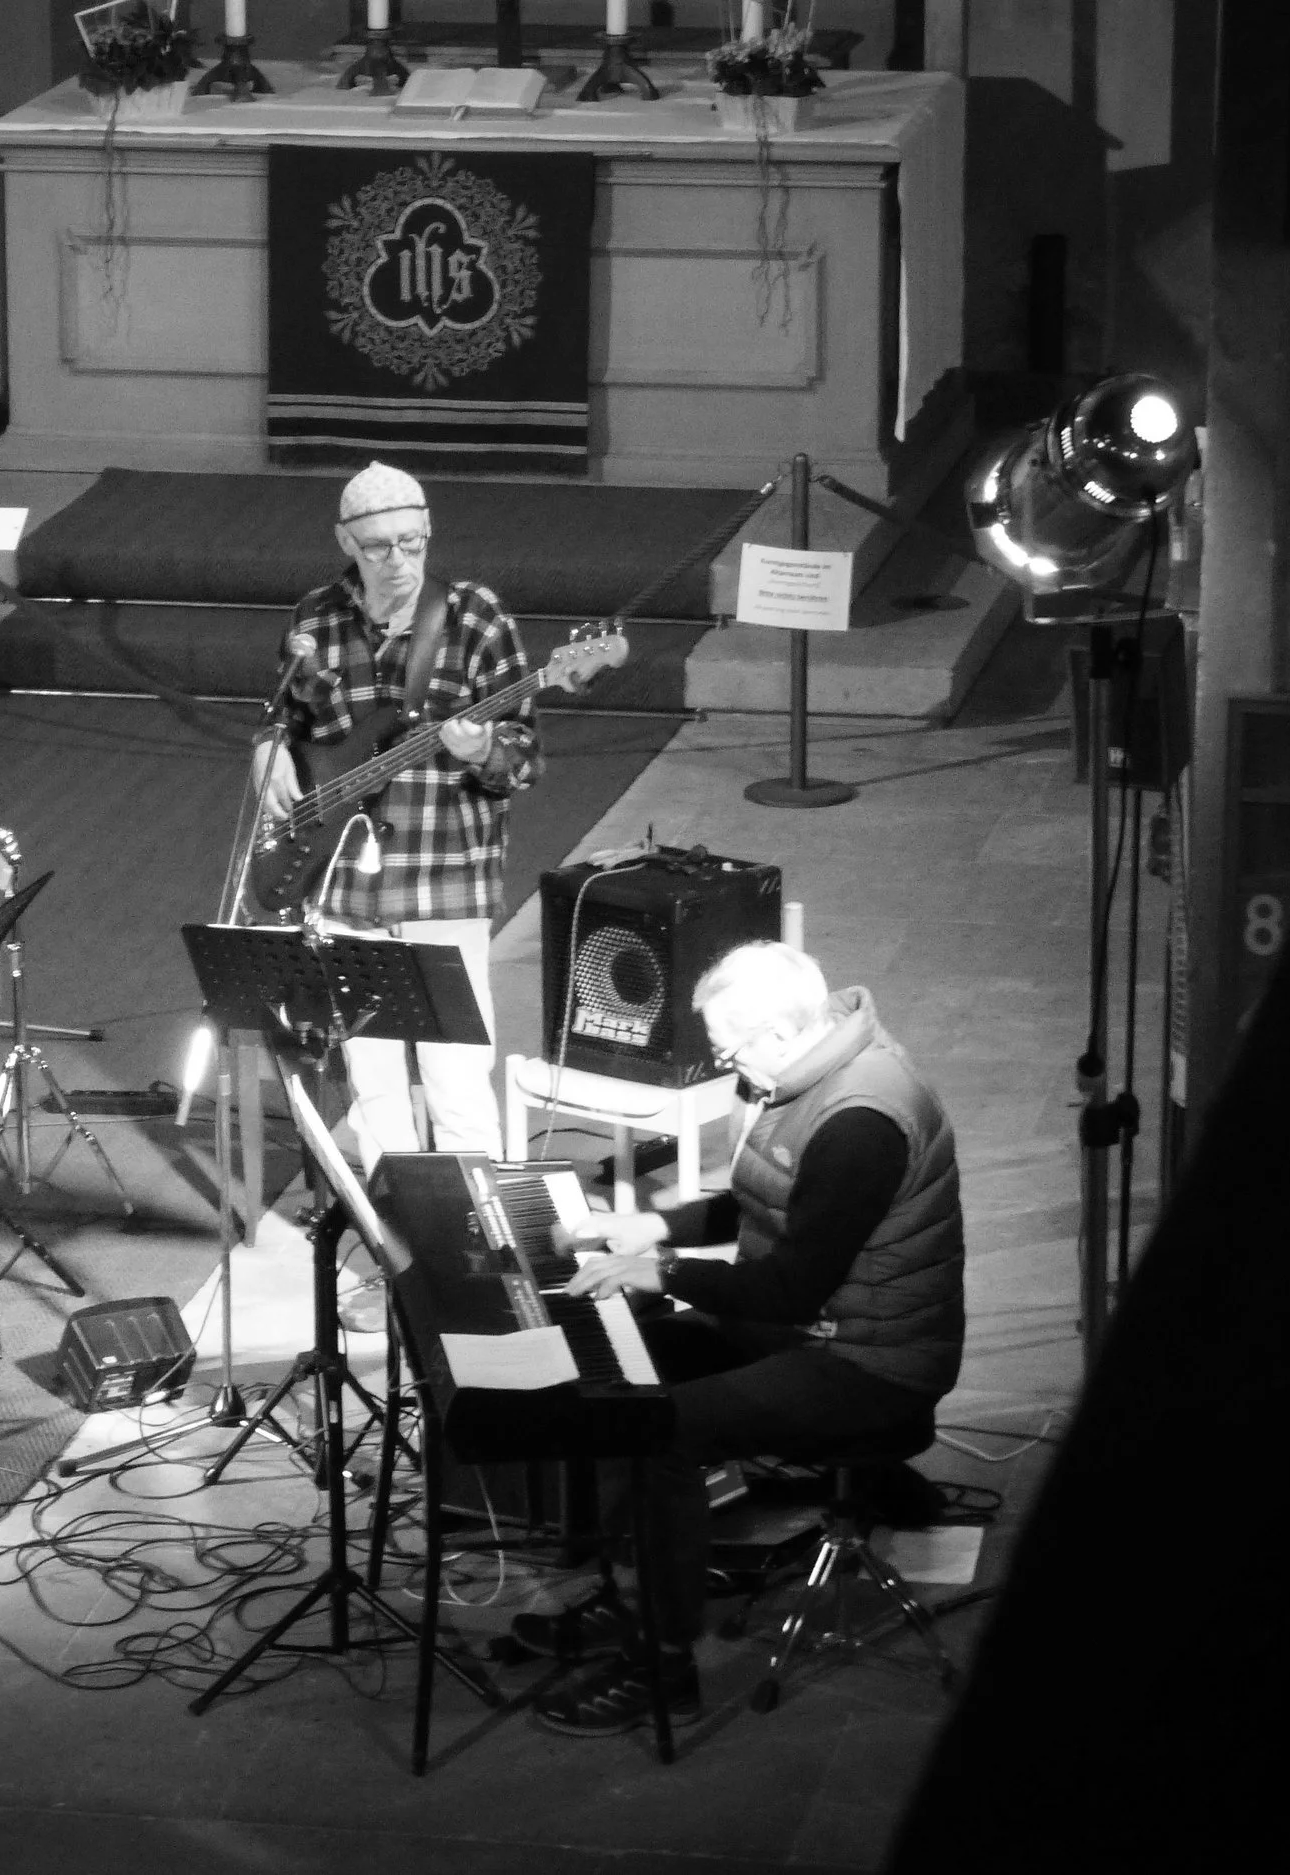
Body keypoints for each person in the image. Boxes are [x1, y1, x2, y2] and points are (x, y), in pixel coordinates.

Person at [528, 940, 966, 1733]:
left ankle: (663, 1668)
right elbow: (767, 1205)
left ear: (780, 1033)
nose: (724, 1065)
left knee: (662, 1430)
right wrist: (649, 1222)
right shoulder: (811, 1068)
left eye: (729, 1048)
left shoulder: (861, 1121)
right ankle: (627, 1589)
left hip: (869, 1360)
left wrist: (658, 1267)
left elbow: (791, 1287)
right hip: (816, 1326)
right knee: (625, 1356)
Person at [258, 460, 541, 1174]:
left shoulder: (477, 618)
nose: (399, 561)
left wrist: (484, 750)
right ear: (345, 542)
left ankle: (476, 1236)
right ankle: (402, 1237)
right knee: (374, 1082)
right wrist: (265, 755)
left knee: (456, 1078)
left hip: (444, 878)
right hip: (343, 878)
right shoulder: (313, 617)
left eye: (413, 542)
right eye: (380, 545)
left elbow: (526, 758)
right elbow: (283, 719)